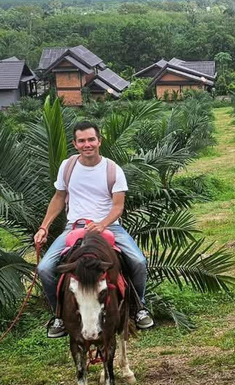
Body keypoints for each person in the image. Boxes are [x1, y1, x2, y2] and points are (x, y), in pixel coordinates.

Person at [35, 121, 154, 338]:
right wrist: (44, 227)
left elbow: (118, 206)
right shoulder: (67, 166)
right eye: (81, 141)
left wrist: (103, 224)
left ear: (99, 141)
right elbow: (59, 197)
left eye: (91, 139)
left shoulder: (112, 170)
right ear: (75, 143)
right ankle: (59, 315)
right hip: (74, 227)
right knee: (44, 268)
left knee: (138, 261)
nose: (87, 144)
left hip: (110, 227)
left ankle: (139, 307)